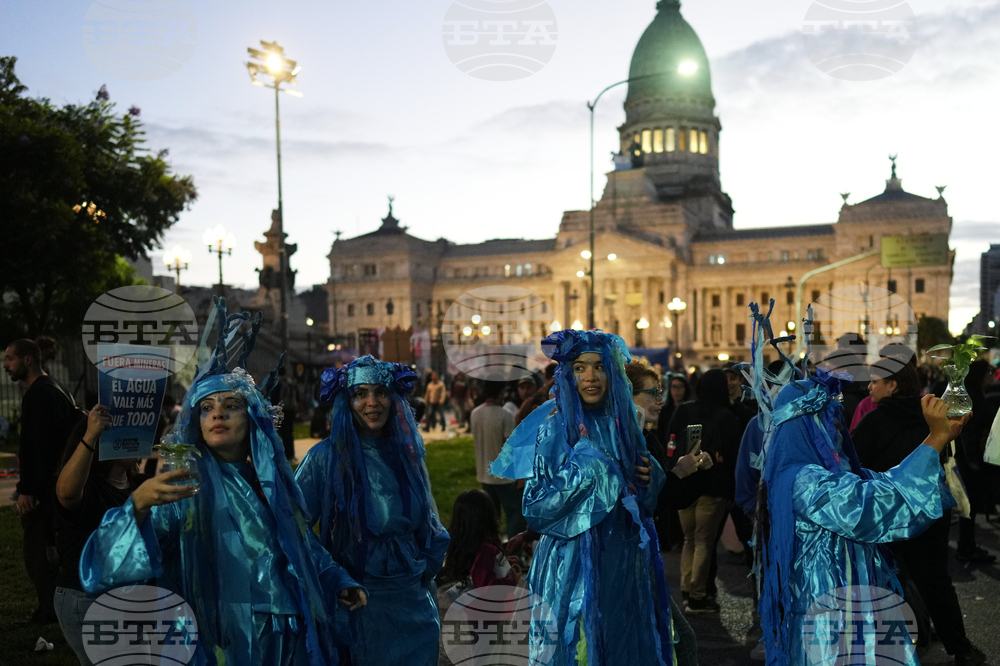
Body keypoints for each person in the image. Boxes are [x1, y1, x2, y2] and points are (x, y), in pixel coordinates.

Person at [81, 302, 364, 665]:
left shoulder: (273, 484)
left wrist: (338, 580)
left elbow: (303, 545)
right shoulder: (185, 487)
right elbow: (110, 566)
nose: (218, 413)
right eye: (207, 406)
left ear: (253, 419)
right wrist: (137, 507)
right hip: (226, 641)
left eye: (231, 405)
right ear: (196, 421)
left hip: (288, 638)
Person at [754, 365, 972, 666]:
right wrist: (934, 438)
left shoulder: (820, 473)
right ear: (806, 425)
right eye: (826, 420)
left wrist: (939, 438)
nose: (835, 428)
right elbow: (875, 507)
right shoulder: (804, 480)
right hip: (832, 607)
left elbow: (882, 482)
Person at [491, 329, 673, 665]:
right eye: (580, 368)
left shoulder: (625, 426)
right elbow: (536, 509)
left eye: (599, 367)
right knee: (576, 649)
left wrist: (651, 479)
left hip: (622, 562)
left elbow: (644, 504)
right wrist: (589, 468)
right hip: (571, 568)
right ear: (568, 375)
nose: (590, 377)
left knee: (621, 646)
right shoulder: (555, 428)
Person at [295, 356, 450, 666]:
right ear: (346, 400)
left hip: (415, 604)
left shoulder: (407, 454)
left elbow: (427, 521)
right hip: (360, 604)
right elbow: (293, 526)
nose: (372, 402)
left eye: (381, 392)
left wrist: (430, 558)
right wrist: (334, 577)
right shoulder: (326, 458)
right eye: (360, 393)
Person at [852, 358, 988, 665]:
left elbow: (856, 468)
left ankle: (900, 645)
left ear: (893, 385)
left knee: (887, 578)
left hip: (891, 516)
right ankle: (961, 648)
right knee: (936, 581)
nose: (869, 386)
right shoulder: (932, 416)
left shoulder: (874, 422)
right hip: (930, 511)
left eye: (875, 381)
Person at [627, 357, 710, 666]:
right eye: (652, 393)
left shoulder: (645, 437)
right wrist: (678, 474)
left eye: (660, 391)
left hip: (644, 554)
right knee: (680, 642)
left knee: (671, 641)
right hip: (630, 559)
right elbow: (653, 500)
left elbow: (667, 499)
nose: (660, 400)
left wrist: (690, 471)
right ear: (628, 396)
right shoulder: (633, 442)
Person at [54, 406, 145, 665]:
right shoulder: (89, 488)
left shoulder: (138, 485)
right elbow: (67, 494)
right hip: (88, 598)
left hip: (128, 595)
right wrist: (90, 435)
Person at [3, 338, 76, 625]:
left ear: (28, 360)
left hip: (44, 490)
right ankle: (56, 605)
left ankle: (49, 609)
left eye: (10, 359)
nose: (6, 365)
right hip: (57, 485)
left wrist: (27, 491)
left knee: (38, 551)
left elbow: (36, 448)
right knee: (53, 548)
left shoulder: (38, 394)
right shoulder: (55, 388)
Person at [667, 369, 742, 613]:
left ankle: (687, 590)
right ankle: (698, 596)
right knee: (704, 542)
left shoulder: (684, 411)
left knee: (689, 539)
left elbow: (670, 442)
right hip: (713, 488)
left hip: (682, 483)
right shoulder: (728, 417)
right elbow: (733, 458)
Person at [436, 489, 521, 599]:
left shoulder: (465, 544)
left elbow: (479, 573)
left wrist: (500, 564)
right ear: (488, 516)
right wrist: (512, 580)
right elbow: (487, 588)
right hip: (489, 611)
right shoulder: (486, 549)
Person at [955, 359, 999, 564]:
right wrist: (973, 461)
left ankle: (968, 545)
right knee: (969, 507)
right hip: (969, 462)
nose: (991, 377)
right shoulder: (974, 399)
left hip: (968, 460)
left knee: (969, 508)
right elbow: (969, 434)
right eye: (988, 373)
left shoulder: (972, 395)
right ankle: (966, 547)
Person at [470, 380, 524, 536]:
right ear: (501, 392)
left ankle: (494, 551)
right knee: (516, 514)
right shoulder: (505, 416)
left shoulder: (475, 413)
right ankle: (514, 552)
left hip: (484, 475)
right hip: (505, 478)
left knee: (492, 519)